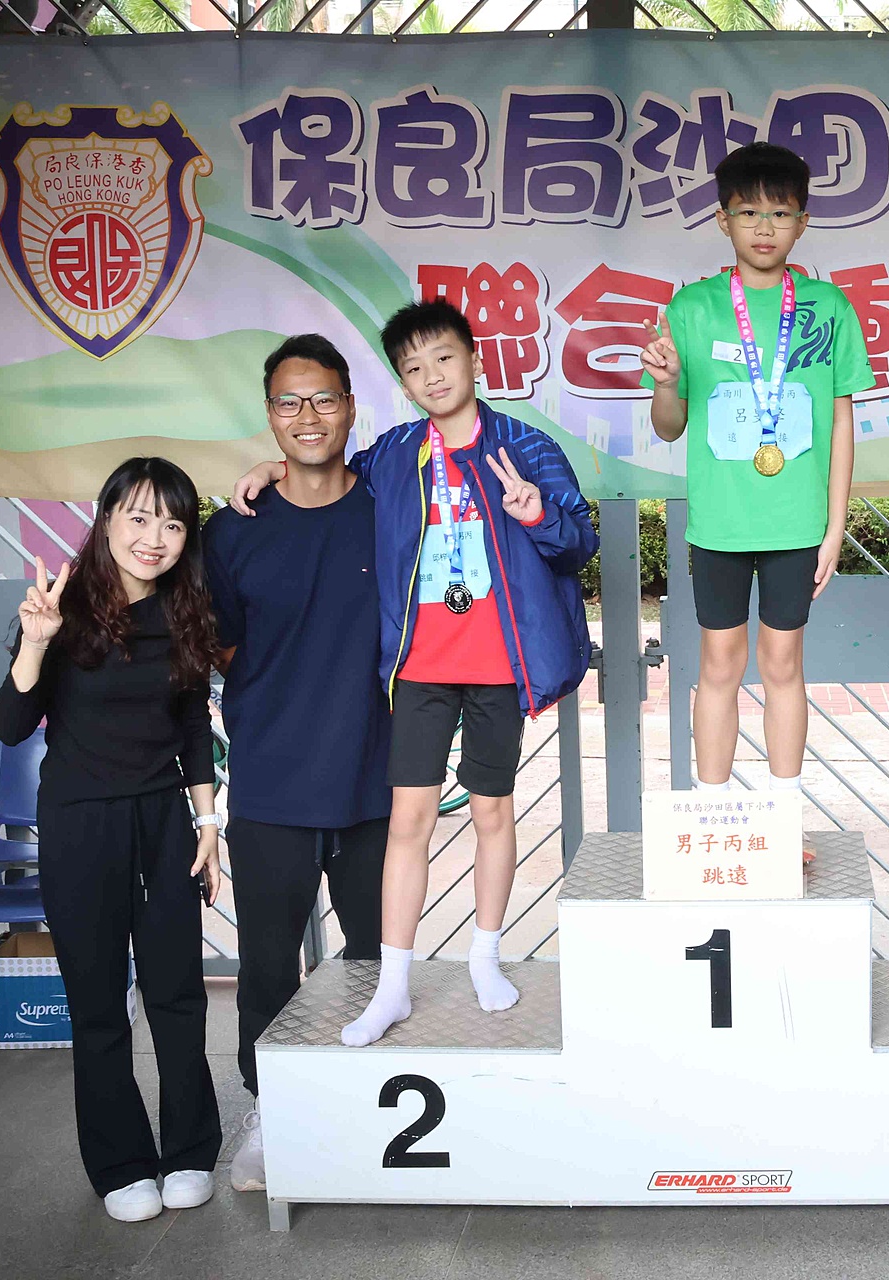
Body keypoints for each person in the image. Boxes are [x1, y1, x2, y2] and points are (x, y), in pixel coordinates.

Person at [232, 298, 596, 1048]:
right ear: (401, 382)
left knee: (493, 812)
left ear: (476, 361)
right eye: (414, 367)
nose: (432, 376)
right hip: (420, 667)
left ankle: (484, 956)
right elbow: (327, 475)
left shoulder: (527, 447)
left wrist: (535, 513)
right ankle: (392, 985)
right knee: (408, 822)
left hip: (497, 666)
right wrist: (274, 466)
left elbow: (578, 543)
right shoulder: (396, 453)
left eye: (445, 358)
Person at [0, 457, 223, 1223]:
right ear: (107, 518)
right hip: (81, 824)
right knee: (96, 1004)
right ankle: (121, 1165)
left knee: (177, 996)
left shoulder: (185, 609)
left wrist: (208, 823)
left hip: (163, 822)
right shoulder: (60, 608)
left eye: (173, 523)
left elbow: (193, 726)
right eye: (139, 517)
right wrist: (35, 644)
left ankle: (190, 1152)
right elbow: (11, 727)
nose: (155, 537)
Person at [203, 335, 391, 1193]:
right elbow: (221, 642)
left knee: (375, 960)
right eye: (289, 401)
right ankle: (270, 1113)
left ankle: (366, 1106)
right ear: (270, 415)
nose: (307, 416)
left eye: (323, 399)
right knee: (269, 968)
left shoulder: (391, 509)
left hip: (374, 779)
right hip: (273, 781)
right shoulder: (233, 531)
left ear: (350, 407)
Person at [639, 141, 875, 804]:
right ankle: (713, 814)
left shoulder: (829, 308)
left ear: (802, 223)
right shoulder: (691, 309)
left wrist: (833, 528)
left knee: (782, 664)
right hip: (720, 524)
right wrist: (667, 383)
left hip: (797, 525)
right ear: (723, 221)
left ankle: (782, 818)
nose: (764, 227)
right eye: (748, 212)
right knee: (718, 664)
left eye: (780, 213)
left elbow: (842, 423)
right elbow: (669, 426)